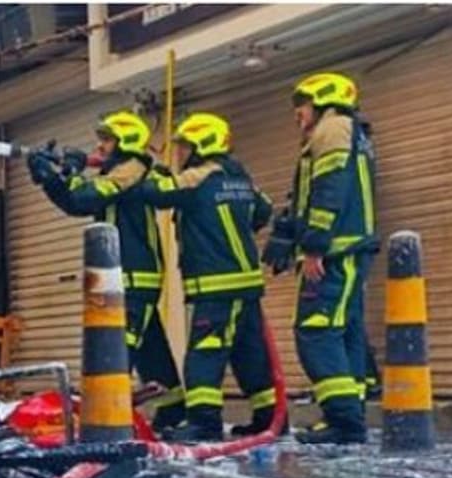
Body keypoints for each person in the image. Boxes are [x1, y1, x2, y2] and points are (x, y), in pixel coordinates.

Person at [27, 110, 185, 432]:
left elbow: (83, 197)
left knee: (118, 345)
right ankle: (174, 407)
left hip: (134, 274)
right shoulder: (119, 171)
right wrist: (52, 178)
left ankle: (107, 420)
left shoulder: (132, 170)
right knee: (151, 349)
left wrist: (63, 174)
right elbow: (74, 202)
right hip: (126, 274)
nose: (100, 147)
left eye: (107, 140)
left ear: (125, 142)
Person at [138, 112, 279, 441]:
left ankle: (204, 422)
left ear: (202, 145)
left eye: (185, 147)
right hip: (246, 284)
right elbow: (264, 209)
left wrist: (144, 168)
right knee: (249, 354)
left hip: (216, 287)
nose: (181, 154)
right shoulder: (240, 179)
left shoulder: (199, 176)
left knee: (205, 353)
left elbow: (158, 191)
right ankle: (269, 417)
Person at [263, 72, 379, 444]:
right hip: (347, 248)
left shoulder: (332, 131)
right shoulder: (348, 131)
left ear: (323, 101)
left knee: (316, 331)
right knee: (346, 332)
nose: (297, 112)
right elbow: (311, 194)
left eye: (303, 103)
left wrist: (314, 245)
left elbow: (329, 192)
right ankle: (350, 415)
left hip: (335, 252)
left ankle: (344, 421)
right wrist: (288, 232)